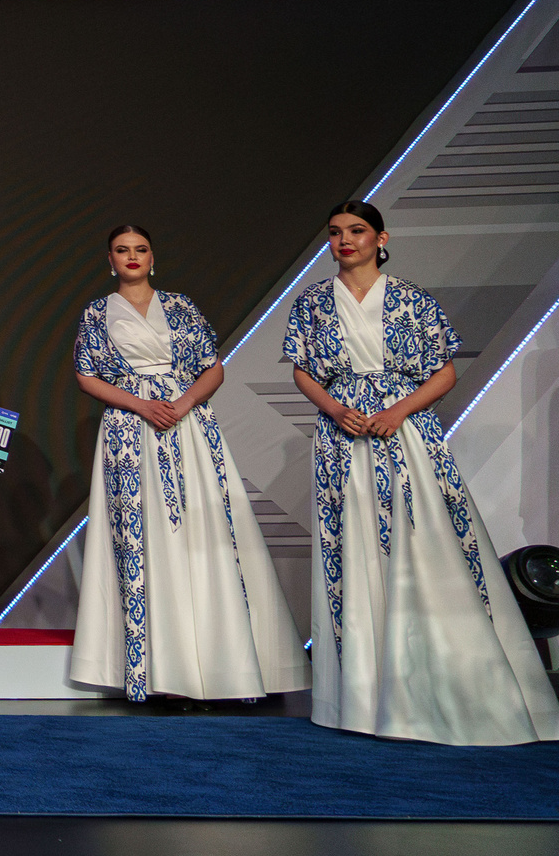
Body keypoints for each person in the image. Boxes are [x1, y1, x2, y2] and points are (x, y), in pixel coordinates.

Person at [285, 200, 559, 744]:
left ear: (381, 238)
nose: (345, 241)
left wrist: (397, 411)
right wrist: (334, 408)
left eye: (357, 231)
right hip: (342, 439)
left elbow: (444, 371)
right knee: (355, 552)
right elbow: (302, 370)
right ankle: (364, 698)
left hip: (405, 433)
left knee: (427, 543)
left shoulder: (411, 298)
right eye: (336, 233)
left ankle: (453, 681)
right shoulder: (312, 303)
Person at [68, 224, 305, 704]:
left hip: (189, 427)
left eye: (140, 249)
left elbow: (213, 366)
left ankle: (228, 668)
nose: (131, 257)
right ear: (108, 260)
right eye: (121, 250)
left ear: (153, 257)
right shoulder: (96, 313)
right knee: (145, 536)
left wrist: (182, 403)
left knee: (206, 532)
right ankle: (160, 672)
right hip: (129, 433)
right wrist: (141, 404)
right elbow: (85, 375)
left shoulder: (180, 306)